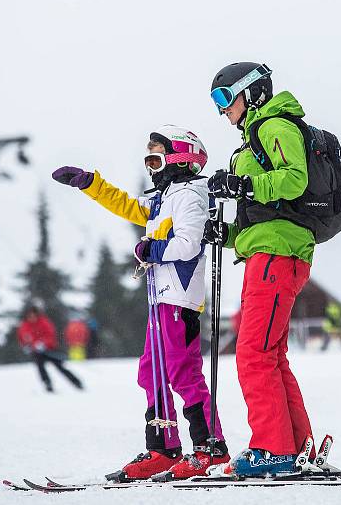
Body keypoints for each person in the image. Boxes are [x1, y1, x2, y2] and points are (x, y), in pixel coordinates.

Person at [51, 126, 229, 481]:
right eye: (147, 158)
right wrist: (89, 183)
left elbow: (189, 244)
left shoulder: (191, 195)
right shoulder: (165, 197)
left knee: (182, 372)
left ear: (180, 158)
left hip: (180, 299)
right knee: (152, 372)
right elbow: (128, 205)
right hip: (159, 299)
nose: (150, 166)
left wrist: (152, 249)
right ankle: (163, 447)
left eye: (155, 157)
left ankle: (210, 448)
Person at [205, 62, 323, 476]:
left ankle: (274, 449)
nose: (222, 111)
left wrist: (244, 186)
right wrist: (225, 233)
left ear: (250, 92)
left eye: (224, 98)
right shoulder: (256, 137)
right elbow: (265, 213)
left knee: (253, 353)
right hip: (269, 249)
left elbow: (294, 181)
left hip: (277, 254)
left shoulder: (274, 126)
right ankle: (296, 446)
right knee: (270, 354)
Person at [17, 306, 83, 393]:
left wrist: (43, 343)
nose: (31, 318)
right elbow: (22, 339)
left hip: (50, 350)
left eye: (33, 315)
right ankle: (47, 384)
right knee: (40, 367)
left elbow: (51, 336)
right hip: (37, 352)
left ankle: (76, 382)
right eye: (29, 316)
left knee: (60, 367)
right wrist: (25, 346)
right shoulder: (24, 326)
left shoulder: (44, 322)